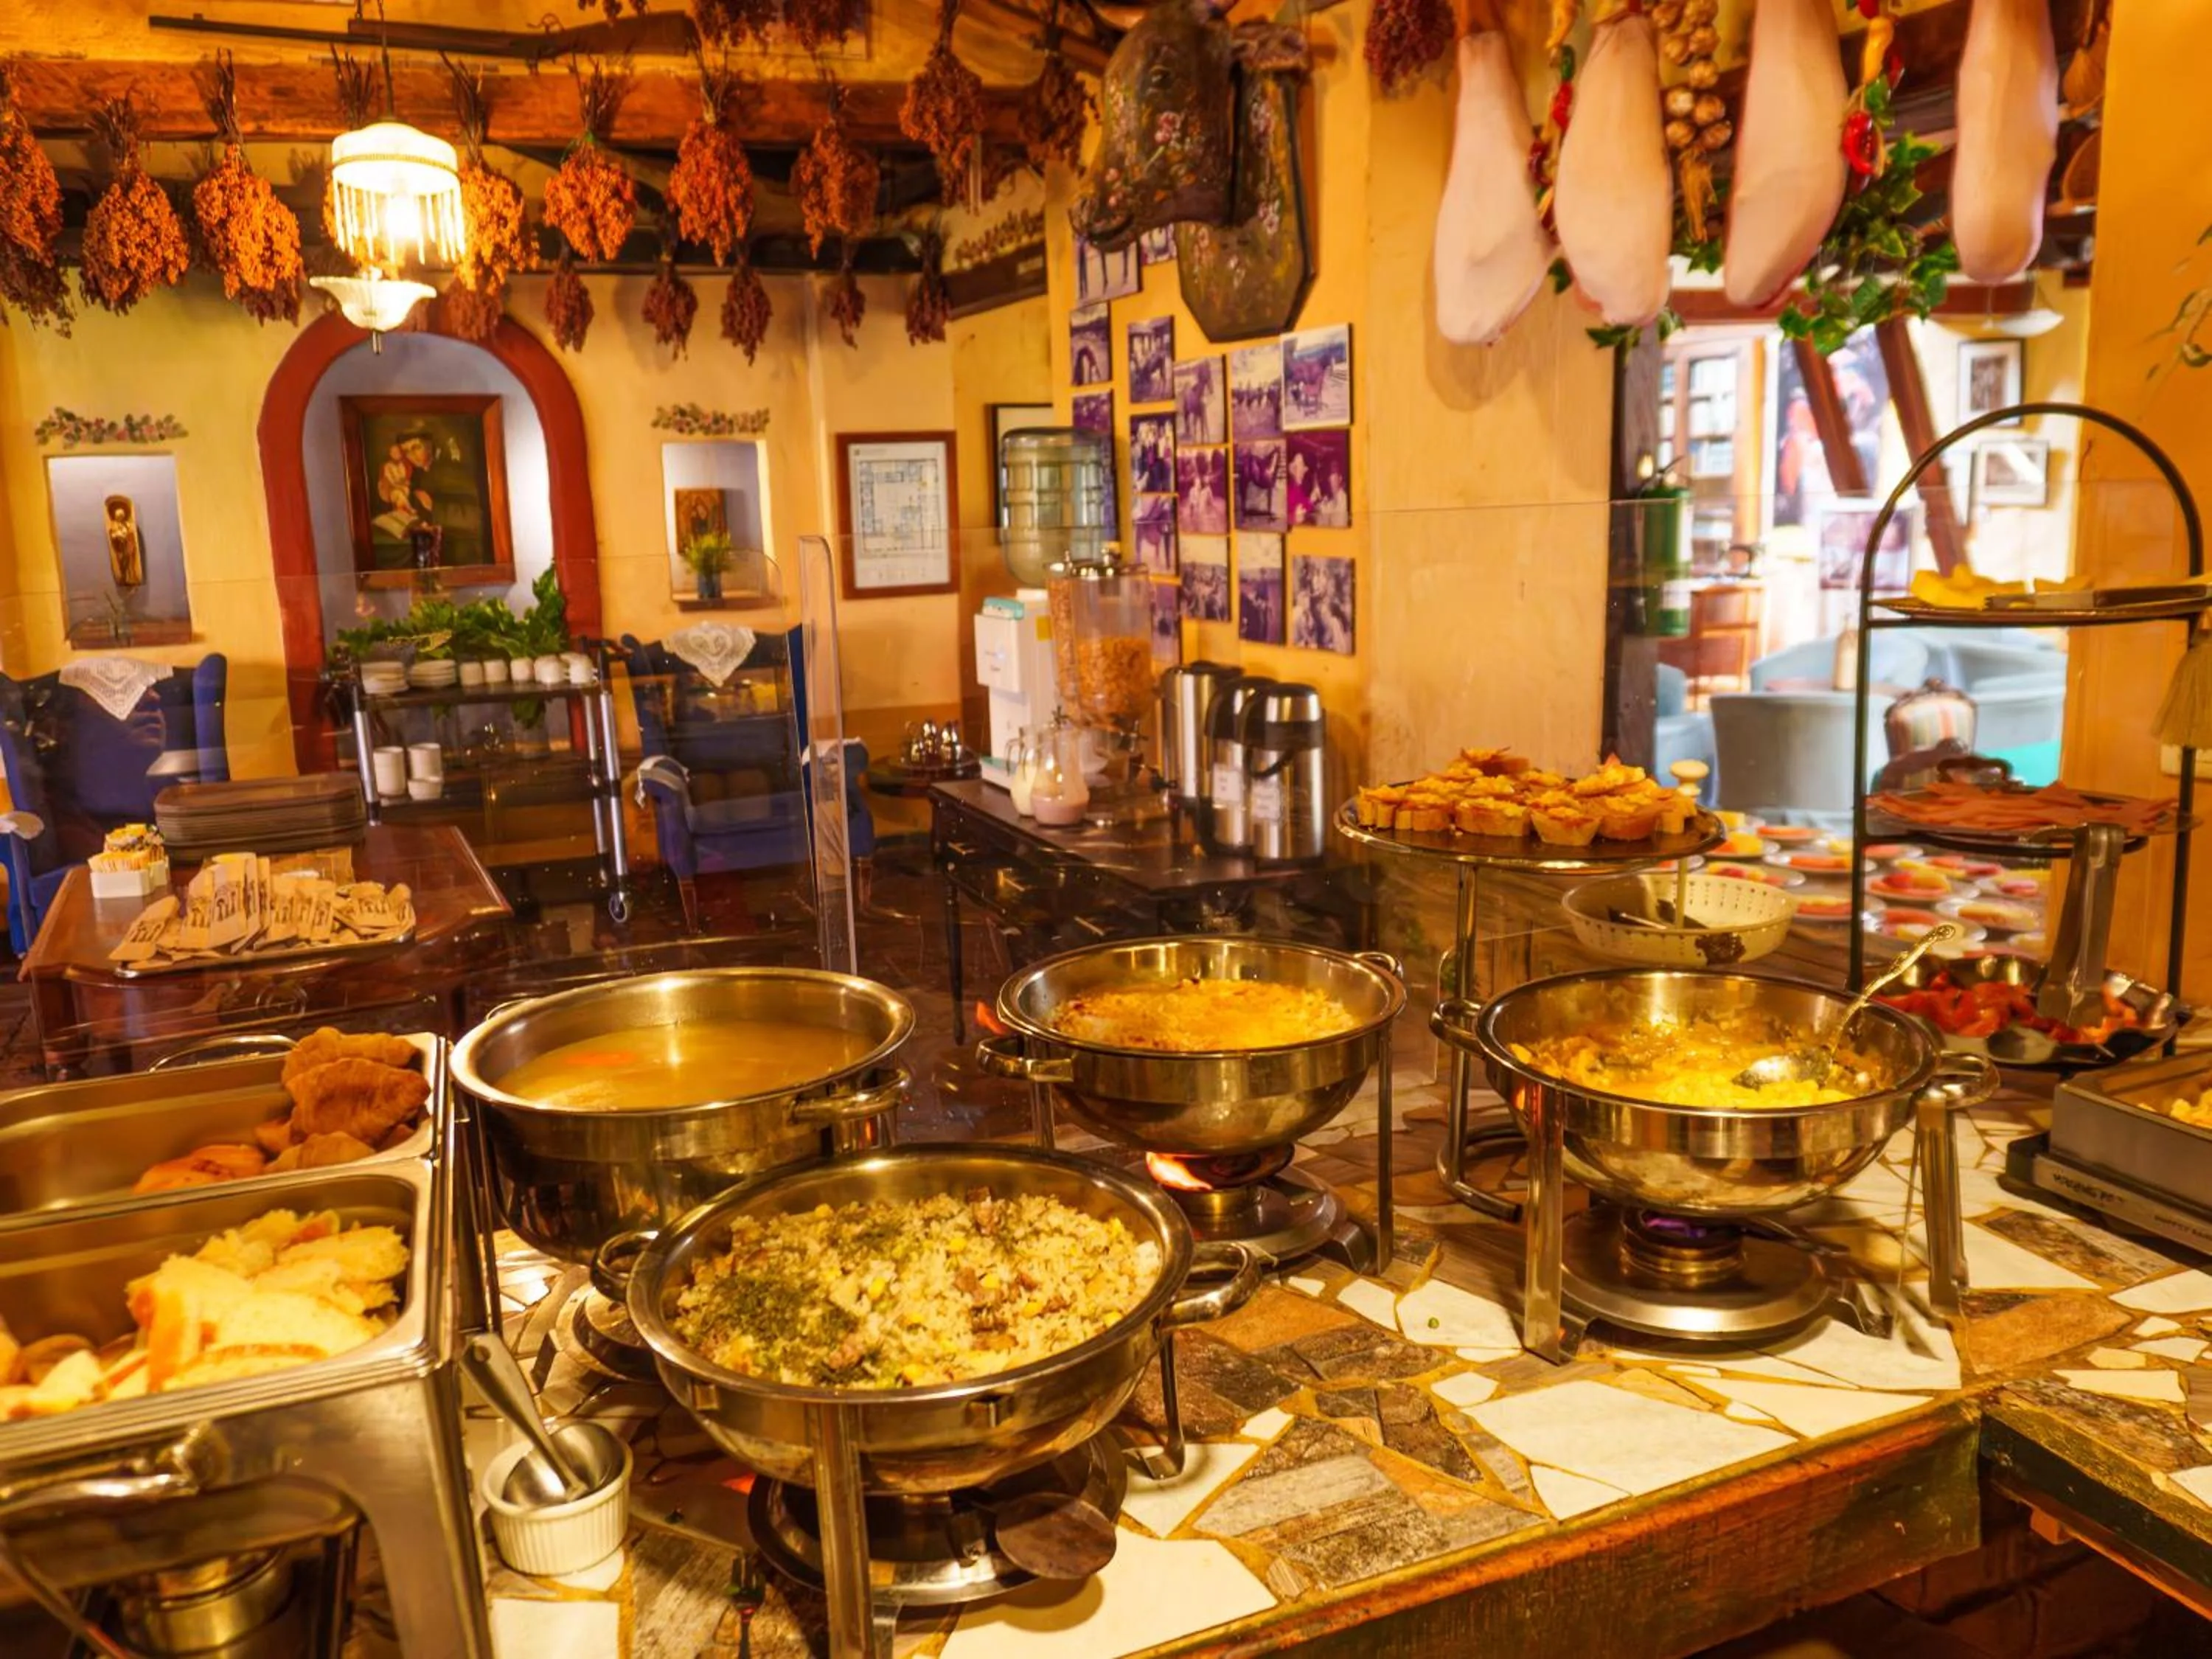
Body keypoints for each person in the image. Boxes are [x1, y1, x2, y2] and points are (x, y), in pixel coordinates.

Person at [102, 496, 145, 589]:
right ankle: (124, 576)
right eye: (119, 516)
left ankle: (131, 576)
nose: (121, 518)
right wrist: (118, 535)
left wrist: (127, 535)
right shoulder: (114, 526)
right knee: (122, 563)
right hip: (120, 548)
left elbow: (131, 534)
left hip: (128, 547)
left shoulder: (128, 525)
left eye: (122, 516)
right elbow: (113, 535)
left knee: (130, 563)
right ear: (116, 517)